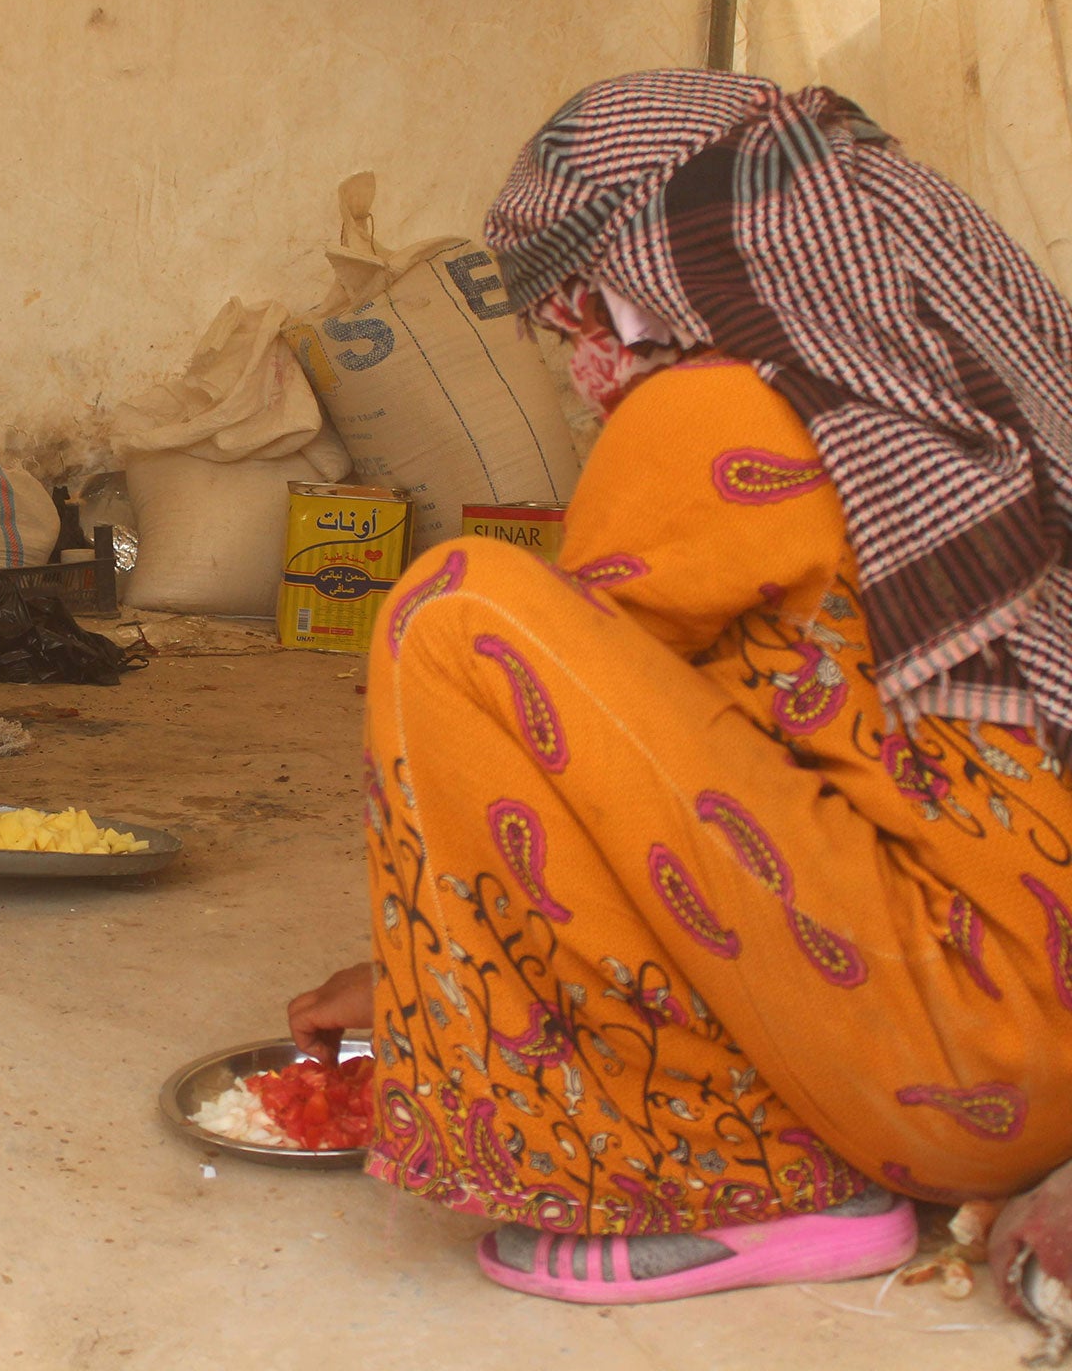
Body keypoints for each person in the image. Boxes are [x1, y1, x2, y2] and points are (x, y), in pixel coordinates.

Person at [288, 69, 1072, 1304]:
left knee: (457, 620)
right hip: (1028, 1048)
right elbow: (685, 761)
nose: (575, 359)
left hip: (953, 1065)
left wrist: (425, 973)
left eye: (571, 318)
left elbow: (549, 762)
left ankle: (739, 1175)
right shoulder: (944, 385)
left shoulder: (713, 409)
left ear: (645, 282)